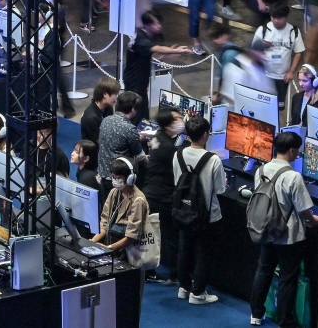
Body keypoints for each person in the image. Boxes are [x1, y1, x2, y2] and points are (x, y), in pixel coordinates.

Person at [249, 132, 318, 327]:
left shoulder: (261, 170)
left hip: (265, 230)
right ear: (292, 150)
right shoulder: (293, 177)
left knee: (263, 271)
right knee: (287, 279)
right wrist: (314, 220)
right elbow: (303, 209)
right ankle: (285, 321)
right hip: (289, 236)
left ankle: (256, 313)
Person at [173, 116, 227, 305]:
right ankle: (198, 292)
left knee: (184, 249)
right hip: (207, 215)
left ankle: (184, 287)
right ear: (206, 135)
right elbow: (220, 189)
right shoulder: (213, 160)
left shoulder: (177, 154)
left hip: (183, 211)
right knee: (203, 253)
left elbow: (176, 182)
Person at [123, 10, 192, 124]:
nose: (159, 26)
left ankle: (143, 133)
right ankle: (137, 137)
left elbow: (152, 57)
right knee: (137, 114)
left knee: (143, 112)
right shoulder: (142, 40)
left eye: (159, 23)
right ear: (147, 25)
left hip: (139, 81)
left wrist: (170, 54)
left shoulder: (141, 35)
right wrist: (175, 50)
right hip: (135, 83)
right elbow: (157, 48)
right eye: (156, 24)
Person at [142, 107, 183, 282]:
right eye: (177, 119)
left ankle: (149, 271)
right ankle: (175, 274)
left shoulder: (158, 136)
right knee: (171, 236)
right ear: (168, 124)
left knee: (152, 235)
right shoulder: (170, 149)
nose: (181, 121)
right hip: (163, 196)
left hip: (151, 192)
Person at [253, 0, 305, 117]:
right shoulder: (263, 30)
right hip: (264, 76)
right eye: (273, 17)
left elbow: (298, 52)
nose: (276, 20)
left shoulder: (294, 32)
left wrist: (291, 71)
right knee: (261, 106)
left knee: (278, 108)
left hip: (282, 79)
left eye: (279, 18)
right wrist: (262, 45)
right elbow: (253, 52)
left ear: (286, 17)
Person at [91, 158, 149, 260]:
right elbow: (105, 223)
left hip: (130, 253)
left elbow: (132, 236)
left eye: (119, 178)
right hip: (113, 248)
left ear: (130, 178)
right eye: (113, 177)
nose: (115, 180)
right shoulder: (114, 192)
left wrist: (110, 248)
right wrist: (93, 241)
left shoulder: (138, 200)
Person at [96, 92, 147, 198]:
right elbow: (141, 159)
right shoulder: (130, 129)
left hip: (102, 176)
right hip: (119, 180)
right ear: (133, 109)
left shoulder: (105, 120)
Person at [217, 39, 278, 106]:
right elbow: (231, 98)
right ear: (252, 52)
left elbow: (269, 95)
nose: (263, 55)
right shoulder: (236, 67)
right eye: (260, 51)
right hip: (237, 112)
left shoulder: (261, 69)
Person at [80, 78, 120, 155]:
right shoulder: (91, 118)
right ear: (105, 95)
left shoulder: (108, 108)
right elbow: (101, 143)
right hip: (93, 156)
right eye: (115, 94)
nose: (117, 97)